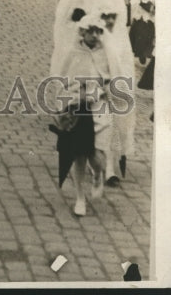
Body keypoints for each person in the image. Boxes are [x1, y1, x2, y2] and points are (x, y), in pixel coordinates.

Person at [51, 14, 121, 217]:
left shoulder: (106, 52)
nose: (94, 35)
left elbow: (113, 79)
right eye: (89, 30)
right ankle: (80, 198)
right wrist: (67, 101)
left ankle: (98, 173)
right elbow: (62, 79)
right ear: (81, 32)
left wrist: (104, 90)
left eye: (97, 31)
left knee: (97, 154)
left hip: (100, 106)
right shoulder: (72, 52)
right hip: (78, 106)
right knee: (79, 154)